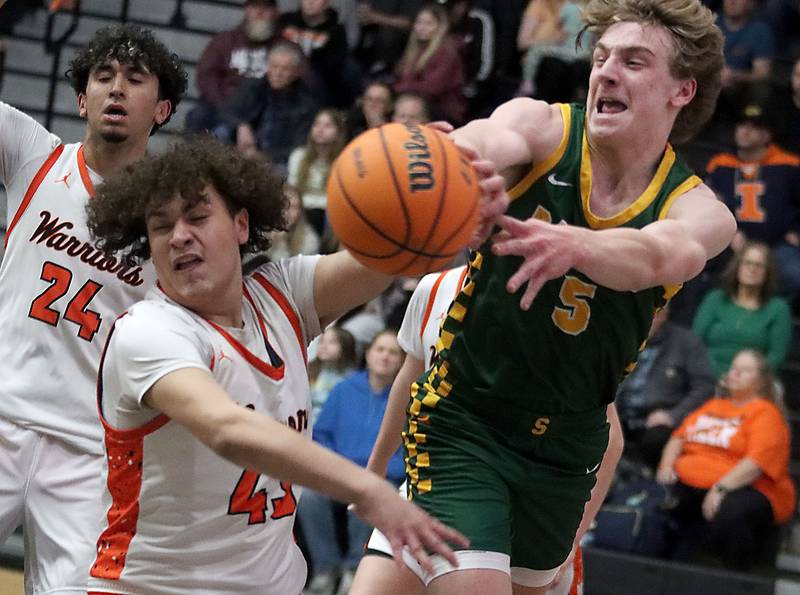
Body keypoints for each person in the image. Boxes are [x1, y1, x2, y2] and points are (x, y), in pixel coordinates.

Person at [379, 0, 736, 592]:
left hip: (567, 448)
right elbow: (491, 137)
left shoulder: (699, 207)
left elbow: (662, 255)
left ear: (682, 90)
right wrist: (455, 162)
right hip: (467, 417)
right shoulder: (547, 128)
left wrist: (578, 245)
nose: (606, 72)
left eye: (634, 61)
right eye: (601, 58)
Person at [82, 137, 471, 594]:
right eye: (161, 227)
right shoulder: (147, 332)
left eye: (198, 217)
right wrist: (368, 489)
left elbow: (401, 252)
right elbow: (227, 429)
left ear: (242, 225)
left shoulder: (281, 295)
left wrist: (437, 167)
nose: (180, 235)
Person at [0, 24, 186, 594]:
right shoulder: (36, 155)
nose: (116, 90)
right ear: (82, 99)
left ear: (162, 108)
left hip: (90, 451)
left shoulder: (174, 223)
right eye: (103, 77)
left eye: (134, 80)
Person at [350, 265, 624, 595]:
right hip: (437, 480)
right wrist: (373, 474)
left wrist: (573, 536)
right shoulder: (436, 287)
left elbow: (610, 437)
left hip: (529, 506)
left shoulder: (556, 302)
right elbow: (408, 384)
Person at [656, 349, 796, 570]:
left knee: (731, 512)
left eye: (745, 370)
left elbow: (756, 463)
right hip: (693, 482)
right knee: (655, 499)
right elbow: (678, 438)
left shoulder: (766, 413)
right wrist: (665, 467)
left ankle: (737, 577)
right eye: (734, 367)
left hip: (748, 487)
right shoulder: (713, 406)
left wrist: (721, 488)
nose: (735, 373)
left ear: (760, 381)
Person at [301, 329, 406, 595]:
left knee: (377, 495)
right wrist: (337, 469)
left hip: (381, 478)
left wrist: (374, 475)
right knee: (307, 496)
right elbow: (320, 435)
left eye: (393, 352)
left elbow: (408, 454)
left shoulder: (407, 398)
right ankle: (325, 570)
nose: (385, 357)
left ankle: (353, 571)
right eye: (380, 349)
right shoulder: (343, 389)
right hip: (338, 475)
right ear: (368, 354)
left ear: (401, 361)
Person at [705, 103, 800, 304]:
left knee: (795, 275)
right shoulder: (720, 164)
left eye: (754, 127)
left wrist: (796, 231)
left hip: (777, 244)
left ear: (767, 135)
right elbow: (709, 205)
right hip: (731, 241)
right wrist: (730, 233)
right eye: (741, 125)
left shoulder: (789, 165)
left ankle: (767, 314)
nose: (745, 131)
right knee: (698, 265)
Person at [615, 304, 715, 470]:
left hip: (659, 418)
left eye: (654, 314)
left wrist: (673, 415)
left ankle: (645, 487)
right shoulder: (623, 338)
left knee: (655, 438)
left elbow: (704, 387)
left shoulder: (686, 343)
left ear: (664, 314)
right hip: (619, 413)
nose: (647, 320)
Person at [692, 241, 792, 379]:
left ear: (767, 272)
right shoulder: (715, 299)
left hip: (754, 383)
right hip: (707, 377)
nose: (752, 269)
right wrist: (718, 376)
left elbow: (776, 356)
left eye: (759, 265)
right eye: (747, 263)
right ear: (737, 267)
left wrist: (747, 379)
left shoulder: (778, 308)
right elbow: (695, 343)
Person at [217, 41, 318, 171]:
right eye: (274, 67)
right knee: (221, 131)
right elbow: (226, 111)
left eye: (285, 69)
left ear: (296, 72)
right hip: (241, 150)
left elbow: (297, 147)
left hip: (275, 161)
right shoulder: (253, 86)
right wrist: (241, 125)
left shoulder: (306, 104)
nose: (278, 73)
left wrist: (261, 157)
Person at [185, 0, 279, 133]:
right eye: (255, 7)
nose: (260, 12)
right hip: (222, 104)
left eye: (266, 8)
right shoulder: (225, 40)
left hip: (263, 110)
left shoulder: (283, 47)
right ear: (246, 10)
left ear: (276, 12)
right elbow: (206, 75)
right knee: (197, 116)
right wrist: (223, 107)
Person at [393, 3, 466, 125]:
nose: (422, 28)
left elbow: (433, 88)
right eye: (419, 23)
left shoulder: (447, 51)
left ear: (440, 26)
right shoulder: (414, 50)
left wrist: (399, 88)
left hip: (442, 111)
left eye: (428, 24)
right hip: (417, 103)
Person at [286, 107, 347, 236]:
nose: (320, 129)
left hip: (329, 214)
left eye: (327, 125)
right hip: (302, 210)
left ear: (338, 133)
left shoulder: (344, 161)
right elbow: (293, 193)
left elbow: (339, 199)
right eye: (317, 124)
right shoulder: (298, 156)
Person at [516, 0, 587, 99]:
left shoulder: (573, 7)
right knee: (554, 66)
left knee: (578, 67)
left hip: (572, 57)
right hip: (547, 60)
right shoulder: (540, 5)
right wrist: (552, 39)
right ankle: (528, 83)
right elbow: (522, 42)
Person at [308, 325, 358, 422]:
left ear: (345, 347)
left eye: (332, 342)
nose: (324, 346)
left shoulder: (350, 378)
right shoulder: (310, 369)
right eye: (322, 341)